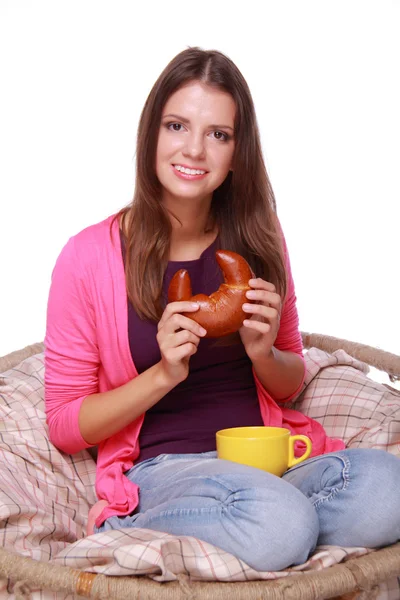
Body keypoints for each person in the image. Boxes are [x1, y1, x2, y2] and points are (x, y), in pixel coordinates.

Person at [44, 46, 400, 572]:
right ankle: (138, 525)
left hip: (267, 460)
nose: (194, 150)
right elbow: (64, 424)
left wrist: (263, 352)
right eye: (176, 126)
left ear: (237, 152)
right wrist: (163, 374)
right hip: (164, 468)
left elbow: (288, 379)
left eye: (218, 134)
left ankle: (266, 527)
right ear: (151, 135)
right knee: (278, 522)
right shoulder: (88, 258)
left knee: (386, 488)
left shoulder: (259, 239)